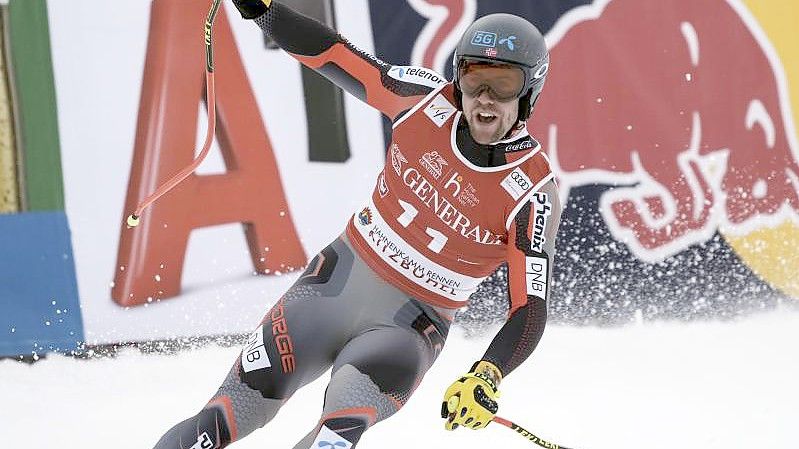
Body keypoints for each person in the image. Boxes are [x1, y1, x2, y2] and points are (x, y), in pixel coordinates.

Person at [152, 1, 561, 448]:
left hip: (405, 330)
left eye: (502, 86)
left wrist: (488, 372)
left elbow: (529, 309)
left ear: (528, 96)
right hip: (332, 287)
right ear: (457, 77)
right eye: (474, 79)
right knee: (221, 418)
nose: (484, 98)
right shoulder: (423, 101)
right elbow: (335, 55)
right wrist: (263, 11)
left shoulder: (532, 192)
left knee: (336, 437)